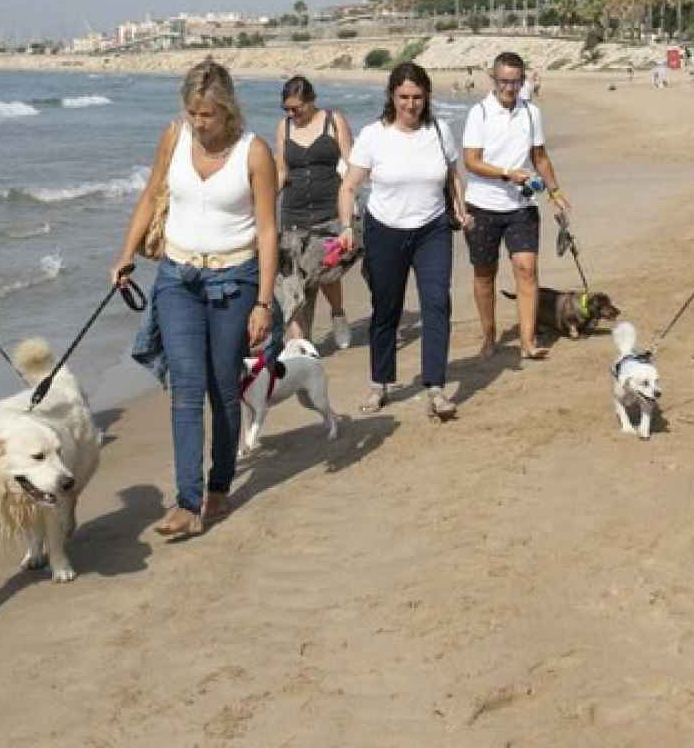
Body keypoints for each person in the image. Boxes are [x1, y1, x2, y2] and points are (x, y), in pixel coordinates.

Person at [113, 60, 278, 538]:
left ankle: (219, 486)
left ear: (228, 111)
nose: (199, 124)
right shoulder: (174, 137)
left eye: (207, 115)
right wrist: (125, 255)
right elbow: (150, 197)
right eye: (192, 113)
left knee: (222, 388)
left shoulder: (255, 152)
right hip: (177, 279)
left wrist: (264, 302)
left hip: (236, 280)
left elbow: (268, 230)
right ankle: (187, 503)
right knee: (185, 387)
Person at [337, 62, 467, 419]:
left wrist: (461, 208)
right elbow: (349, 186)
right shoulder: (373, 135)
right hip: (385, 230)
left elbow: (453, 175)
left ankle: (436, 387)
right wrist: (347, 226)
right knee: (386, 308)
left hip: (433, 229)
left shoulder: (439, 131)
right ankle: (380, 382)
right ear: (391, 97)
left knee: (437, 303)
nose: (411, 104)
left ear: (427, 97)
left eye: (418, 97)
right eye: (404, 97)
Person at [460, 52, 570, 361]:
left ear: (523, 80)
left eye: (516, 81)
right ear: (493, 80)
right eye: (504, 81)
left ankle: (527, 340)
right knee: (485, 274)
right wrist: (507, 172)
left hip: (521, 205)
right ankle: (489, 335)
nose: (510, 87)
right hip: (482, 206)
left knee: (527, 269)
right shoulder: (478, 114)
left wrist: (555, 192)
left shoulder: (531, 112)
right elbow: (471, 162)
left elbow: (540, 157)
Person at [274, 76, 355, 347]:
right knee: (292, 278)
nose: (291, 114)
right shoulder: (284, 127)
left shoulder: (334, 121)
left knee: (326, 273)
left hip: (329, 212)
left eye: (296, 108)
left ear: (311, 101)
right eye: (286, 109)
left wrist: (351, 209)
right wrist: (264, 202)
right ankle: (299, 341)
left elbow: (351, 164)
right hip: (293, 214)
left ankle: (338, 314)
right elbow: (281, 170)